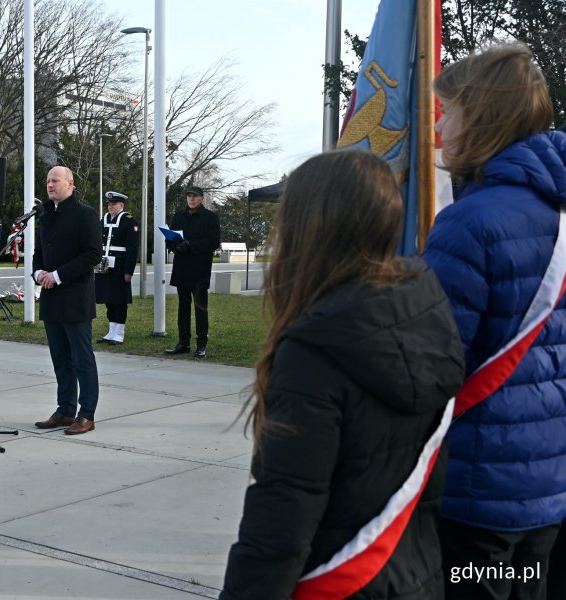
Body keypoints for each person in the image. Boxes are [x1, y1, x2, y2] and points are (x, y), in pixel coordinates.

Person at [220, 150, 465, 599]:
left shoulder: (316, 350)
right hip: (416, 574)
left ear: (309, 230)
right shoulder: (426, 309)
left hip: (339, 581)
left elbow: (282, 517)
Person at [421, 43, 566, 599]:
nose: (439, 131)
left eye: (447, 112)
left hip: (479, 487)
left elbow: (433, 361)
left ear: (480, 116)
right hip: (546, 480)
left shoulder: (472, 221)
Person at [31, 166, 103, 435]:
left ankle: (86, 414)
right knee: (60, 358)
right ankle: (65, 409)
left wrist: (58, 275)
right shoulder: (46, 216)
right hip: (51, 298)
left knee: (82, 359)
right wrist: (38, 273)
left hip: (74, 297)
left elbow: (93, 254)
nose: (50, 185)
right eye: (48, 181)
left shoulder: (85, 214)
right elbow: (39, 253)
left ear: (70, 184)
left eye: (55, 181)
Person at [164, 185, 220, 357]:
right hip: (182, 268)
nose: (191, 199)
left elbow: (213, 242)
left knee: (200, 307)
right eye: (189, 196)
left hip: (200, 269)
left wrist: (192, 245)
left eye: (195, 196)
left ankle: (201, 344)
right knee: (183, 307)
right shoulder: (179, 216)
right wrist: (176, 246)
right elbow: (170, 239)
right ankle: (183, 342)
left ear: (201, 198)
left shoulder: (210, 217)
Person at [94, 190, 139, 344]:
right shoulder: (104, 219)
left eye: (113, 204)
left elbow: (132, 249)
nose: (110, 207)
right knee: (107, 297)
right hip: (104, 262)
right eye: (109, 204)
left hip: (120, 265)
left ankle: (119, 333)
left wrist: (128, 271)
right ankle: (111, 331)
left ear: (121, 205)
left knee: (119, 299)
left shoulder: (129, 221)